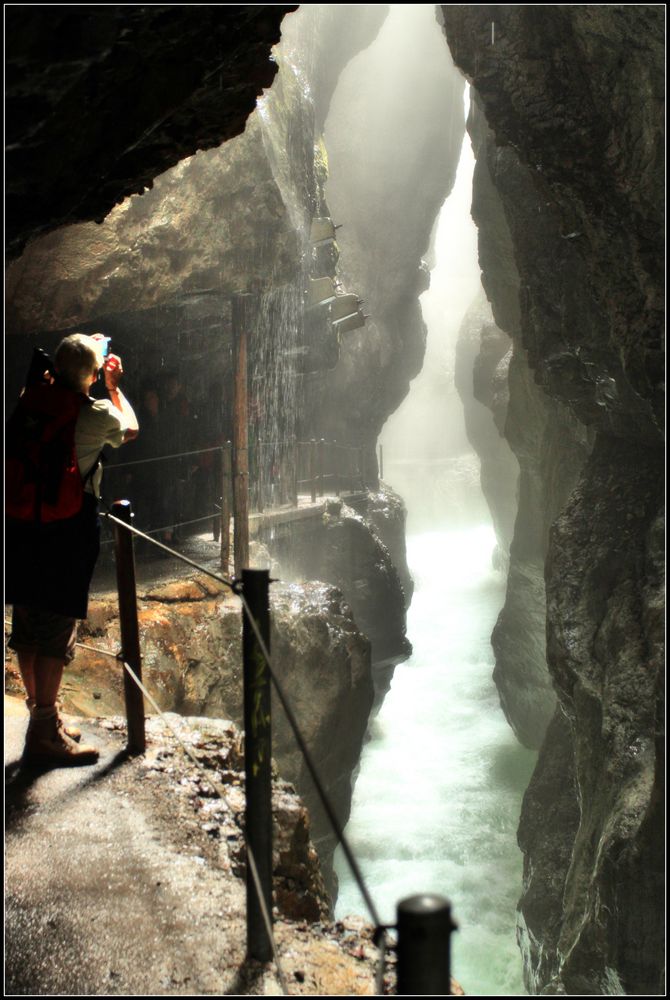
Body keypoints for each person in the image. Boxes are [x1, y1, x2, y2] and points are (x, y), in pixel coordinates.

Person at [5, 333, 139, 767]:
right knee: (57, 625)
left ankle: (43, 715)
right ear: (95, 374)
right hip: (66, 527)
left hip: (22, 523)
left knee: (28, 619)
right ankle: (44, 736)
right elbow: (131, 429)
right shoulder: (96, 411)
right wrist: (114, 387)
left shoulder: (33, 398)